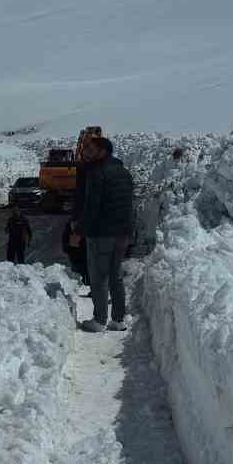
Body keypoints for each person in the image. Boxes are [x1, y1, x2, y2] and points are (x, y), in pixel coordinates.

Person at [72, 137, 136, 332]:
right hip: (122, 233)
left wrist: (79, 230)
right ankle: (118, 319)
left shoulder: (96, 172)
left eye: (90, 149)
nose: (86, 152)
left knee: (99, 276)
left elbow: (92, 207)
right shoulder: (124, 173)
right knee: (115, 276)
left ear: (102, 151)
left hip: (101, 233)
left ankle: (99, 320)